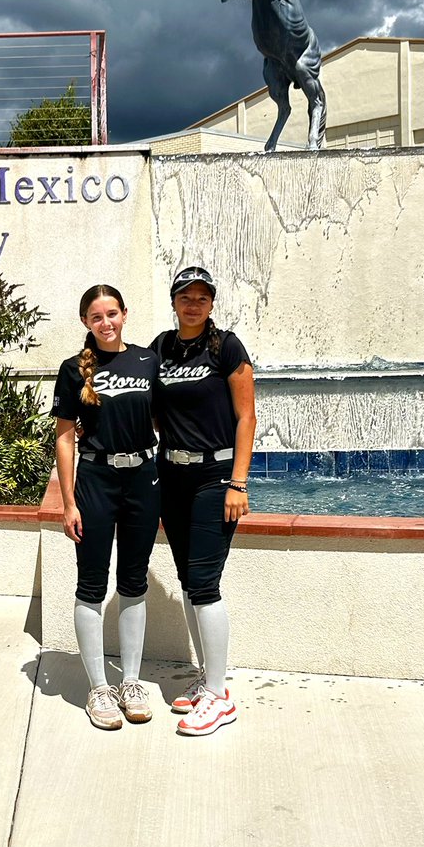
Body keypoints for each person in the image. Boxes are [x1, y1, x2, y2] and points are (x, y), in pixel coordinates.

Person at [151, 265, 256, 737]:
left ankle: (219, 696)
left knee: (205, 582)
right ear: (174, 301)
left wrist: (238, 482)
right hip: (171, 475)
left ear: (211, 303)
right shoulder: (161, 348)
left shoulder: (227, 347)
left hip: (215, 477)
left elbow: (247, 415)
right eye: (185, 297)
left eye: (202, 298)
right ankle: (208, 681)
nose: (193, 304)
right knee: (189, 582)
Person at [52, 284, 160, 730]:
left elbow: (161, 420)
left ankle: (130, 682)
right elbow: (63, 436)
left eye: (112, 313)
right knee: (92, 583)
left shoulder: (148, 361)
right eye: (97, 317)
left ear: (125, 314)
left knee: (134, 581)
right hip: (96, 480)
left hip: (142, 480)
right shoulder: (73, 370)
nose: (106, 322)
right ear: (86, 322)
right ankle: (99, 687)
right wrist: (68, 502)